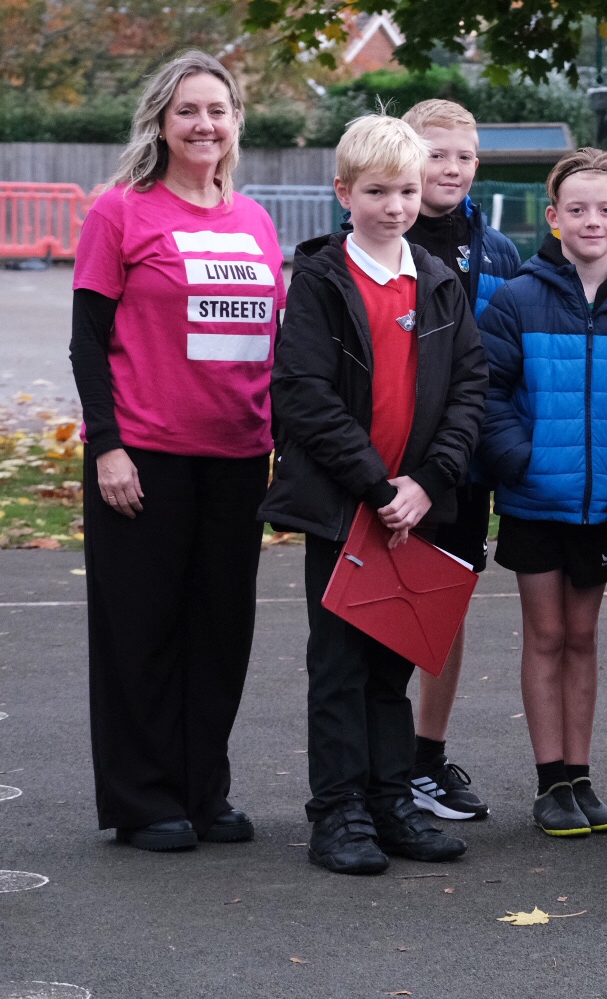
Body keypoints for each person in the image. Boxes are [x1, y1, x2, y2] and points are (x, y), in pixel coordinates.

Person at [259, 115, 487, 875]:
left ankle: (392, 803)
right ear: (343, 194)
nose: (395, 206)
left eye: (408, 191)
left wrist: (426, 483)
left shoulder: (440, 280)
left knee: (393, 665)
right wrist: (376, 485)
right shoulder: (322, 280)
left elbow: (468, 390)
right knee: (339, 668)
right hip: (345, 508)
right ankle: (339, 814)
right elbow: (303, 395)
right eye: (378, 191)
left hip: (416, 512)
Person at [72, 50, 284, 852]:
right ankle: (143, 798)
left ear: (235, 125)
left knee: (220, 630)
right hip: (144, 457)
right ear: (162, 122)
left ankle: (204, 790)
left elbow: (270, 342)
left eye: (218, 110)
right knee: (141, 629)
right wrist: (107, 447)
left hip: (236, 456)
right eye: (189, 110)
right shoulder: (120, 212)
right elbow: (88, 343)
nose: (204, 124)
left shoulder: (255, 220)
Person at [477, 148, 607, 838]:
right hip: (534, 498)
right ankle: (549, 780)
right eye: (578, 209)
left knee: (584, 636)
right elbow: (488, 393)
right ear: (554, 218)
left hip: (601, 503)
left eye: (606, 210)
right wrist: (517, 459)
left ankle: (581, 778)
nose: (592, 220)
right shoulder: (518, 298)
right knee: (547, 633)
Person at [398, 98, 522, 823]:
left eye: (463, 156)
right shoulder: (375, 232)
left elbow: (499, 366)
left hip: (463, 466)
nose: (449, 168)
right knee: (379, 611)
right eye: (434, 153)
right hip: (388, 465)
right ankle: (374, 764)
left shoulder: (499, 251)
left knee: (445, 609)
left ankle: (424, 759)